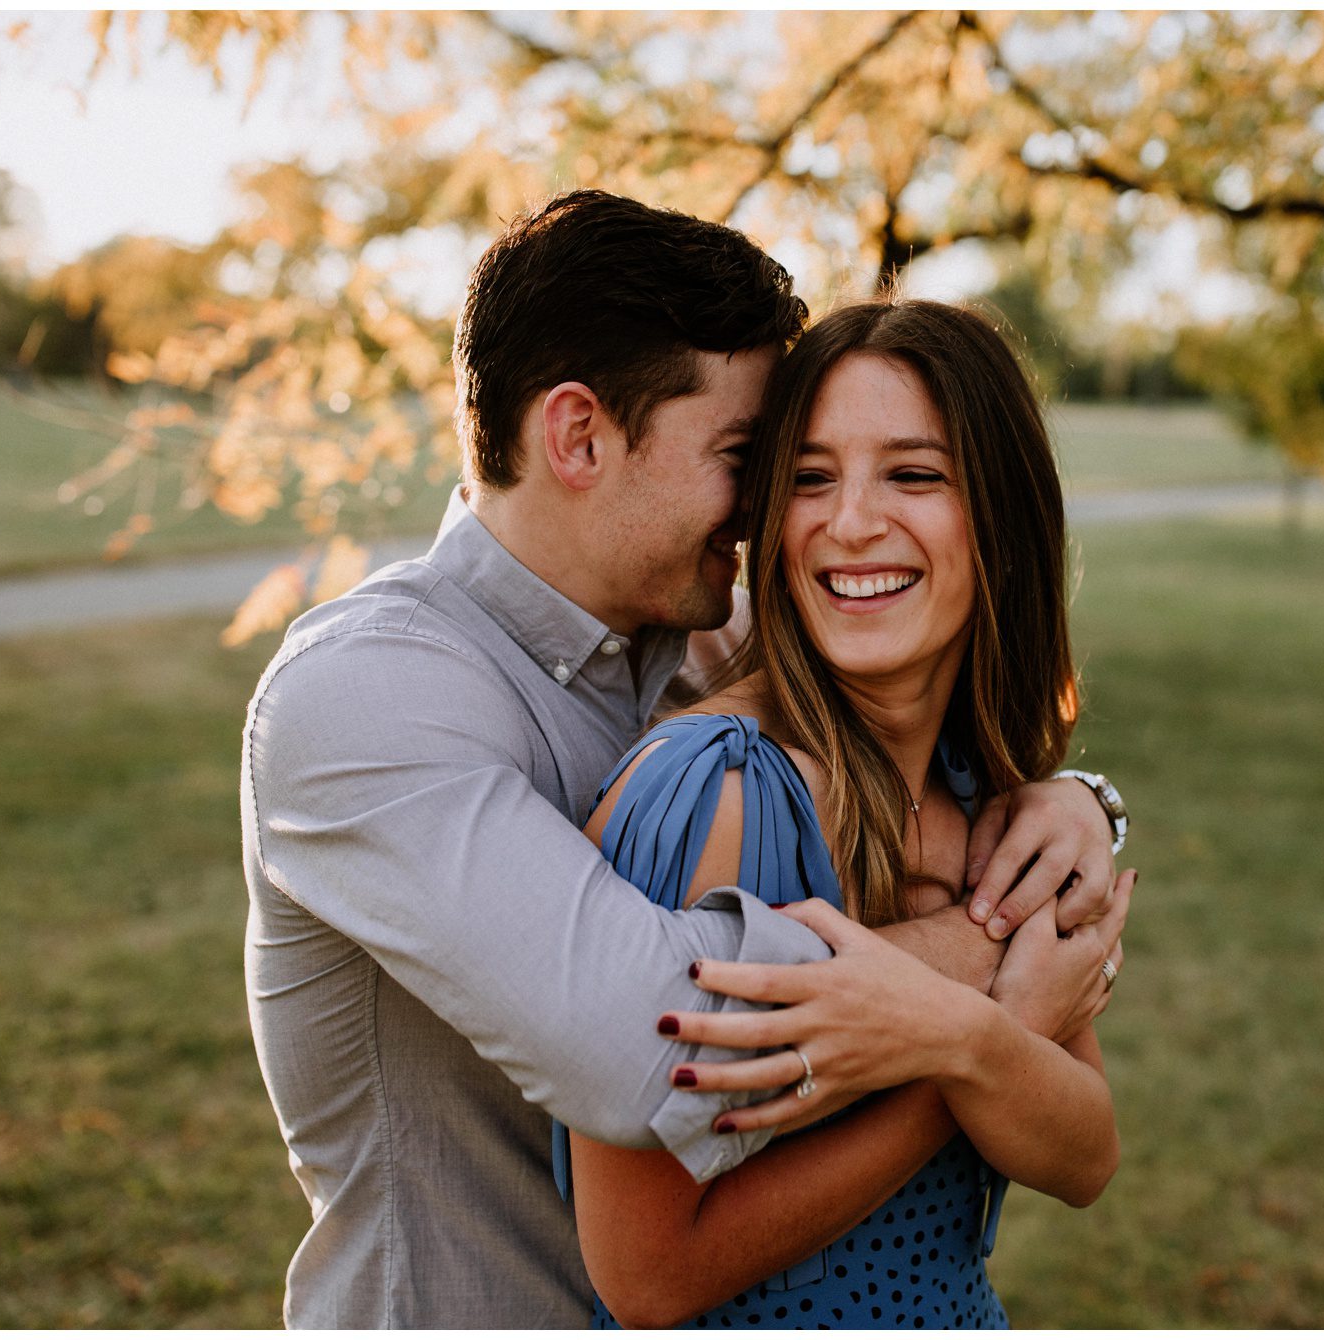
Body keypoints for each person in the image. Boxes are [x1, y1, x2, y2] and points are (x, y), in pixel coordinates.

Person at [241, 192, 1130, 1327]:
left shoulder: (704, 631)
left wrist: (1073, 804)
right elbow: (654, 1042)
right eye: (747, 459)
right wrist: (1000, 957)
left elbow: (922, 702)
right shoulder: (364, 698)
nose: (774, 512)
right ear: (577, 435)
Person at [557, 298, 1132, 1329]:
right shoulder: (716, 795)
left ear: (999, 515)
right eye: (810, 478)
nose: (851, 521)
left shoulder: (987, 797)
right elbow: (645, 1273)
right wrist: (974, 1040)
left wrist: (971, 1042)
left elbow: (1085, 1155)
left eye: (913, 474)